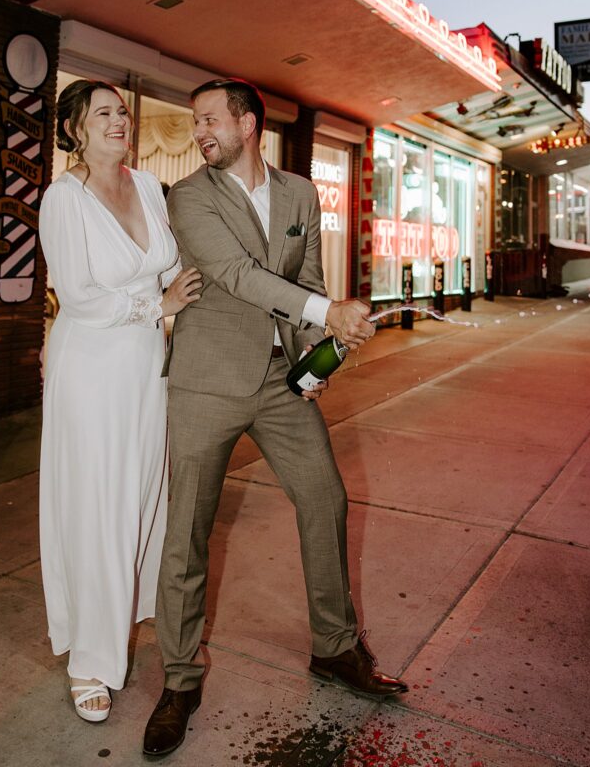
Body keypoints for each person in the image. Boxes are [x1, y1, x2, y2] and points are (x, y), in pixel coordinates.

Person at [143, 79, 407, 758]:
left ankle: (335, 647)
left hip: (277, 381)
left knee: (325, 497)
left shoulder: (298, 194)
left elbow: (309, 279)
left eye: (209, 119)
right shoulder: (190, 197)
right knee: (188, 531)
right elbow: (236, 273)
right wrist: (327, 313)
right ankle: (179, 681)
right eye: (194, 121)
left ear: (248, 123)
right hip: (206, 382)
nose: (200, 131)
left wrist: (317, 360)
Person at [38, 80, 201, 723]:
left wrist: (191, 287)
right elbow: (77, 294)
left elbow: (163, 267)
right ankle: (90, 661)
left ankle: (115, 620)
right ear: (75, 126)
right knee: (97, 507)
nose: (119, 121)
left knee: (137, 500)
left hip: (144, 370)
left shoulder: (151, 187)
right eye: (102, 112)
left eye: (122, 112)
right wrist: (155, 307)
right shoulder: (62, 197)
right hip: (90, 368)